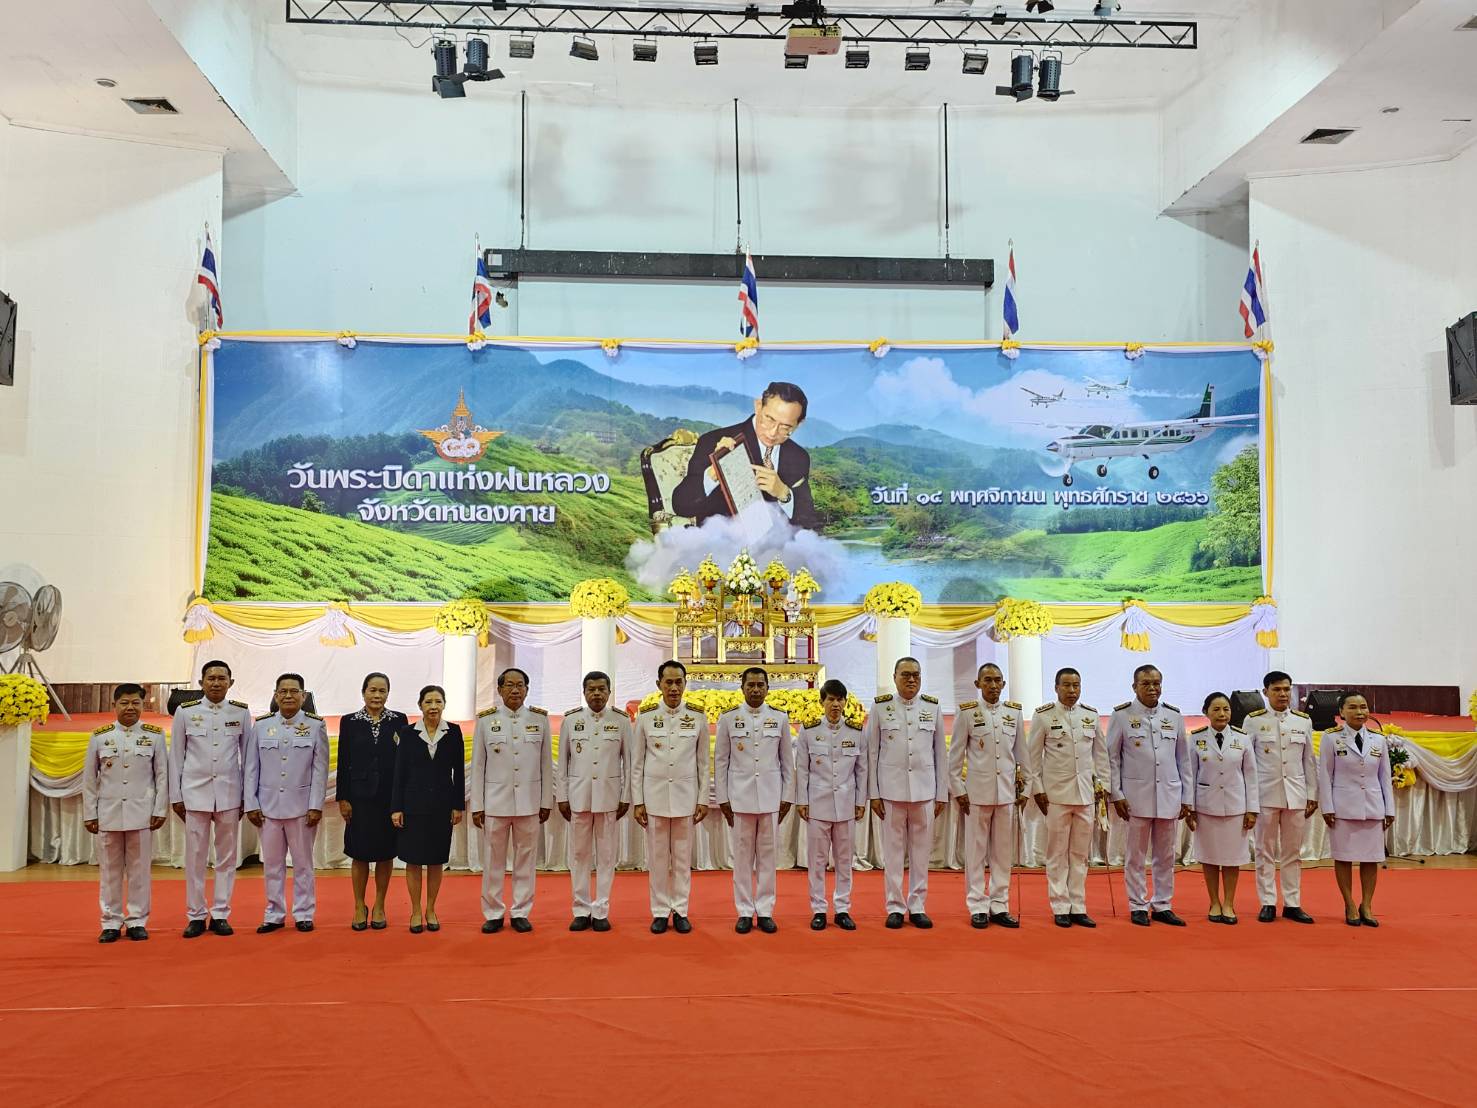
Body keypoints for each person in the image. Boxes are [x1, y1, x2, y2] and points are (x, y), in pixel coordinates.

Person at [168, 660, 253, 938]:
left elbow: (248, 760)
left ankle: (220, 913)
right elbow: (176, 757)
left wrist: (246, 798)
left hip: (229, 795)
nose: (216, 683)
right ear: (202, 682)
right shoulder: (185, 711)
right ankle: (195, 914)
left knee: (227, 858)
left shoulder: (240, 713)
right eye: (211, 678)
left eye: (221, 678)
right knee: (194, 857)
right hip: (195, 794)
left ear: (231, 682)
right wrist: (176, 796)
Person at [864, 656, 947, 929]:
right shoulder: (880, 708)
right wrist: (874, 793)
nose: (912, 679)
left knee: (922, 852)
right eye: (906, 675)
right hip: (891, 790)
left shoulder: (932, 708)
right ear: (895, 676)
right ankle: (895, 906)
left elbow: (940, 754)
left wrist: (941, 793)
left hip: (924, 791)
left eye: (916, 675)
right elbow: (872, 752)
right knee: (893, 852)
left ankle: (918, 905)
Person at [1106, 665, 1191, 927]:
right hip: (1135, 797)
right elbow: (1112, 758)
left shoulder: (1173, 716)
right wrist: (1116, 794)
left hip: (1168, 794)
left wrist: (1187, 797)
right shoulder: (1121, 716)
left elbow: (1183, 760)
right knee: (1135, 854)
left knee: (1166, 854)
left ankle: (1163, 904)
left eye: (1156, 683)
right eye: (1146, 684)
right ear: (1134, 687)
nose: (1152, 688)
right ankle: (1137, 904)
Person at [244, 673, 329, 933]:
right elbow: (250, 768)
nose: (289, 696)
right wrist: (251, 803)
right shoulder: (261, 725)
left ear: (304, 696)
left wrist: (316, 805)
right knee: (271, 865)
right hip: (268, 807)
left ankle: (304, 913)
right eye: (284, 691)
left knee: (303, 864)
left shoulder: (316, 726)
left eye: (295, 691)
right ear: (275, 695)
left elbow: (319, 769)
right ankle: (274, 913)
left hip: (302, 808)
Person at [670, 381, 818, 530]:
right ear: (758, 406)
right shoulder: (713, 442)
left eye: (785, 427)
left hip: (776, 548)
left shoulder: (799, 457)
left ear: (799, 424)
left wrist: (784, 494)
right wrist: (712, 474)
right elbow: (681, 506)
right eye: (769, 419)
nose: (773, 433)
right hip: (722, 544)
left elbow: (808, 520)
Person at [83, 683, 168, 942]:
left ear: (144, 705)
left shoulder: (154, 736)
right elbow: (89, 778)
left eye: (136, 703)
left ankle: (137, 921)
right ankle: (110, 921)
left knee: (140, 870)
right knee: (109, 871)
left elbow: (162, 776)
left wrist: (160, 808)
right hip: (108, 813)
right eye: (124, 703)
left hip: (141, 813)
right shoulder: (100, 736)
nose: (130, 707)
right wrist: (90, 813)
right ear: (115, 705)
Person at [471, 668, 552, 933]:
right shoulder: (486, 721)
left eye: (520, 685)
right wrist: (478, 805)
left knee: (526, 860)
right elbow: (478, 766)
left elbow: (545, 765)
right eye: (509, 685)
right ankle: (493, 912)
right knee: (493, 860)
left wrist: (545, 801)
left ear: (528, 689)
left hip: (529, 802)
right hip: (495, 803)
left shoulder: (539, 720)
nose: (515, 690)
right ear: (499, 689)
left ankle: (520, 911)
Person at [1026, 667, 1108, 928]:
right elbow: (1032, 758)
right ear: (1056, 687)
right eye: (1067, 686)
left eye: (1076, 686)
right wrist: (1037, 789)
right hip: (1056, 795)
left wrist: (1103, 784)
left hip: (1085, 795)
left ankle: (1078, 905)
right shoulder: (1043, 716)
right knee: (1057, 853)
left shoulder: (1090, 716)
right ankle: (1060, 904)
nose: (1072, 691)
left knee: (1080, 854)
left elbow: (1101, 756)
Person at [714, 667, 793, 934]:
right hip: (739, 798)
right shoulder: (728, 719)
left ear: (768, 688)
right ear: (742, 687)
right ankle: (745, 911)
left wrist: (787, 797)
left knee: (769, 858)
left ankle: (766, 910)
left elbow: (786, 763)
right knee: (743, 858)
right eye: (751, 685)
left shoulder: (780, 718)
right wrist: (723, 799)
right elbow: (721, 762)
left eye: (761, 685)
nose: (756, 689)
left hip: (771, 797)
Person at [632, 660, 709, 934]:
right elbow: (637, 764)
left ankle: (681, 910)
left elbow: (703, 763)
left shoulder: (698, 717)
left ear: (685, 684)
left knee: (681, 859)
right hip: (654, 799)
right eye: (669, 682)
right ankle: (659, 911)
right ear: (659, 685)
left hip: (685, 798)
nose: (674, 688)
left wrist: (703, 799)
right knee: (657, 859)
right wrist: (638, 801)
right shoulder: (645, 717)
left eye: (679, 682)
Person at [948, 663, 1026, 929]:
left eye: (998, 681)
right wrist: (959, 791)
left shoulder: (1013, 714)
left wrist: (1024, 789)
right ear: (978, 684)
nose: (993, 685)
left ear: (1004, 684)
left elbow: (1022, 756)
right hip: (976, 796)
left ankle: (1000, 904)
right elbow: (954, 759)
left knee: (1003, 854)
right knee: (976, 853)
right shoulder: (967, 714)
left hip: (1005, 794)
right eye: (988, 680)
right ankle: (977, 905)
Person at [556, 670, 632, 932]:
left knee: (607, 856)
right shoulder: (571, 720)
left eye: (602, 689)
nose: (597, 693)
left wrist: (626, 796)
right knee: (579, 855)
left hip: (610, 798)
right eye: (591, 689)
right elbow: (562, 763)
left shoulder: (621, 721)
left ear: (609, 692)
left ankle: (600, 910)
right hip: (578, 798)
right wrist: (562, 796)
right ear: (584, 692)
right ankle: (580, 909)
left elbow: (630, 762)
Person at [1244, 670, 1317, 923]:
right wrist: (1249, 800)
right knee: (1264, 851)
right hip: (1264, 794)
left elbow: (1308, 760)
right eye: (1277, 690)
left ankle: (1292, 902)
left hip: (1295, 794)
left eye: (1287, 689)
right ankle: (1267, 902)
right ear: (1265, 692)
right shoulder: (1253, 721)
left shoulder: (1302, 721)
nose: (1283, 694)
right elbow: (1248, 764)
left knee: (1293, 852)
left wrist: (1312, 793)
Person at [793, 679, 866, 931]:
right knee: (817, 860)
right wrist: (802, 800)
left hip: (846, 804)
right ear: (822, 702)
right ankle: (819, 909)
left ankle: (843, 908)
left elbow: (861, 770)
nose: (835, 704)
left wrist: (860, 801)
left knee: (844, 860)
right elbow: (801, 769)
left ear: (845, 702)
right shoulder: (809, 731)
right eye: (830, 699)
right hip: (818, 804)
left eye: (839, 699)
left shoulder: (856, 731)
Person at [392, 685, 465, 934]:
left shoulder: (453, 732)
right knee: (413, 861)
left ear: (444, 704)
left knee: (435, 861)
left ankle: (431, 909)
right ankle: (414, 910)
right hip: (413, 806)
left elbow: (459, 772)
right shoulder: (407, 733)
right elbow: (399, 773)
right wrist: (396, 808)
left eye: (438, 701)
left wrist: (458, 805)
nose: (433, 706)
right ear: (420, 705)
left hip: (442, 807)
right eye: (428, 702)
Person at [1318, 692, 1396, 927]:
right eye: (1352, 707)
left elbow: (1385, 777)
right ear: (1341, 712)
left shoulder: (1378, 740)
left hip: (1373, 807)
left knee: (1371, 859)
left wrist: (1389, 808)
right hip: (1342, 807)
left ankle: (1367, 905)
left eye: (1363, 707)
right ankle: (1350, 904)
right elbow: (1325, 774)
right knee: (1343, 858)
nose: (1359, 712)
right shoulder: (1331, 738)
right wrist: (1327, 806)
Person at [336, 672, 406, 931]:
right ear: (363, 692)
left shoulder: (399, 720)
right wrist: (343, 798)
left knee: (386, 854)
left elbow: (403, 764)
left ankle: (378, 904)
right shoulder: (350, 721)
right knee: (360, 854)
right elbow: (344, 762)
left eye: (382, 691)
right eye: (372, 690)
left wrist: (400, 801)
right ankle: (358, 905)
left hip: (388, 799)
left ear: (388, 693)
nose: (377, 696)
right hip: (359, 798)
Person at [1186, 693, 1258, 924]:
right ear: (1206, 712)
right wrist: (1190, 807)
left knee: (1231, 858)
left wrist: (1252, 809)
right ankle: (1214, 901)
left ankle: (1228, 903)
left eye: (1226, 709)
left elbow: (1251, 776)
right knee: (1209, 857)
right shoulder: (1196, 739)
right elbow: (1190, 776)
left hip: (1236, 807)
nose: (1222, 714)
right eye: (1216, 709)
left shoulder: (1243, 738)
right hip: (1206, 806)